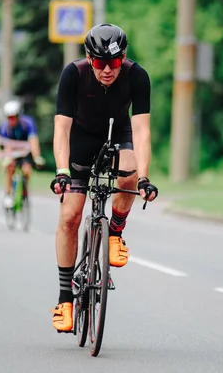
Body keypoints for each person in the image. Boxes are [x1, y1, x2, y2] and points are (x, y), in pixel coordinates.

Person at [49, 23, 159, 332]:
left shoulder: (137, 76)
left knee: (129, 174)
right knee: (70, 216)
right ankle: (65, 299)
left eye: (114, 62)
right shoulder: (74, 74)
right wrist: (61, 171)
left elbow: (141, 130)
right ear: (89, 57)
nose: (107, 69)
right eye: (99, 62)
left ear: (124, 57)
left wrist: (144, 178)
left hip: (118, 132)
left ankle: (115, 233)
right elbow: (61, 128)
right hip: (81, 138)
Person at [0, 100, 45, 209]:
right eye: (9, 117)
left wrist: (37, 157)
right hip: (11, 151)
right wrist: (7, 158)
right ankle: (8, 194)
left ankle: (24, 192)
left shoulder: (28, 123)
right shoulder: (4, 127)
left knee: (27, 170)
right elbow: (6, 145)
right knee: (10, 168)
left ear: (19, 115)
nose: (11, 120)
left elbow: (33, 140)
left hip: (25, 152)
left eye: (13, 117)